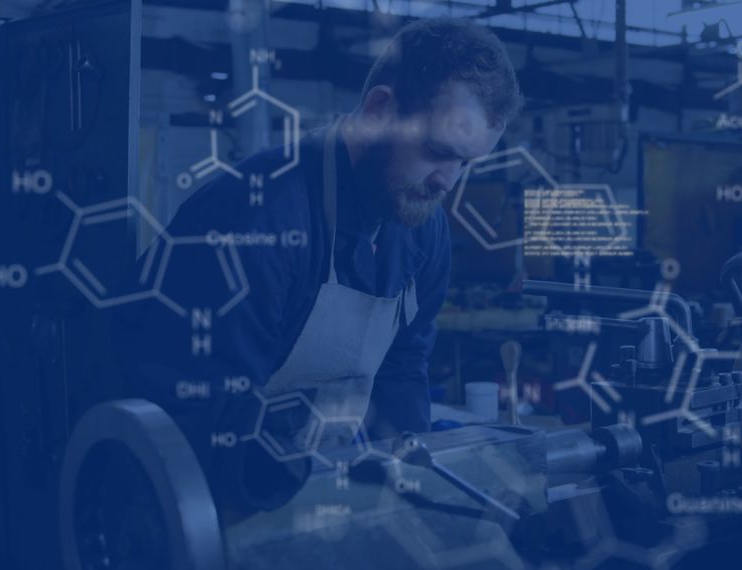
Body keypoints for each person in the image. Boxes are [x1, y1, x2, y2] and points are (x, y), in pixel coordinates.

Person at [114, 18, 522, 510]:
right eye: (438, 152)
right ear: (378, 111)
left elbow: (401, 365)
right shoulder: (254, 220)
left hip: (312, 488)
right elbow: (200, 420)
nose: (448, 183)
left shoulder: (420, 225)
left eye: (467, 163)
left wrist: (406, 490)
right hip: (191, 500)